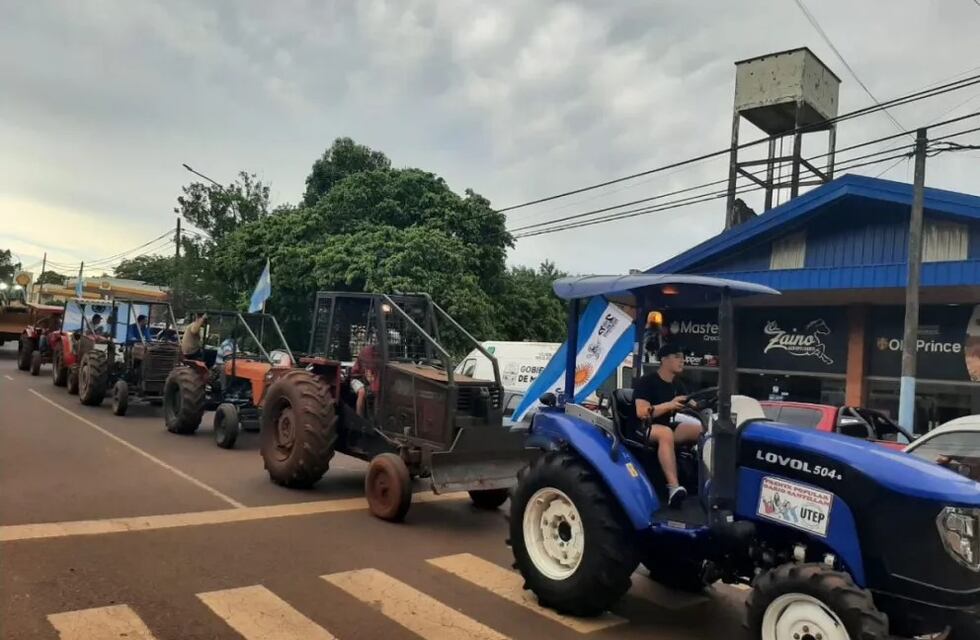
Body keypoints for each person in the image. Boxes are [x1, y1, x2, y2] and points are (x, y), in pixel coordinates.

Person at [633, 343, 702, 508]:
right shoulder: (646, 382)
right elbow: (642, 412)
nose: (682, 361)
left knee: (701, 430)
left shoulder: (677, 384)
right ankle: (673, 487)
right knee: (665, 433)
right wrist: (669, 405)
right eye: (677, 357)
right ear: (664, 360)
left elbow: (693, 403)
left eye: (683, 357)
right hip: (642, 427)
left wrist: (704, 404)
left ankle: (699, 479)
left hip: (665, 426)